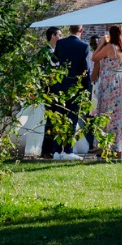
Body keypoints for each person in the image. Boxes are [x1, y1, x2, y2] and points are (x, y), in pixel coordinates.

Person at [45, 25, 91, 158]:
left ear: (69, 30)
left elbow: (55, 62)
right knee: (72, 118)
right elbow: (85, 69)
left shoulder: (60, 43)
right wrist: (86, 88)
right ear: (81, 31)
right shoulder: (83, 46)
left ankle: (56, 150)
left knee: (59, 117)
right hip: (75, 87)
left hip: (59, 85)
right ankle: (68, 150)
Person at [91, 24, 122, 153]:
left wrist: (101, 43)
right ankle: (120, 145)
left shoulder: (110, 47)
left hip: (110, 82)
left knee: (107, 113)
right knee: (120, 115)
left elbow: (94, 57)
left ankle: (106, 145)